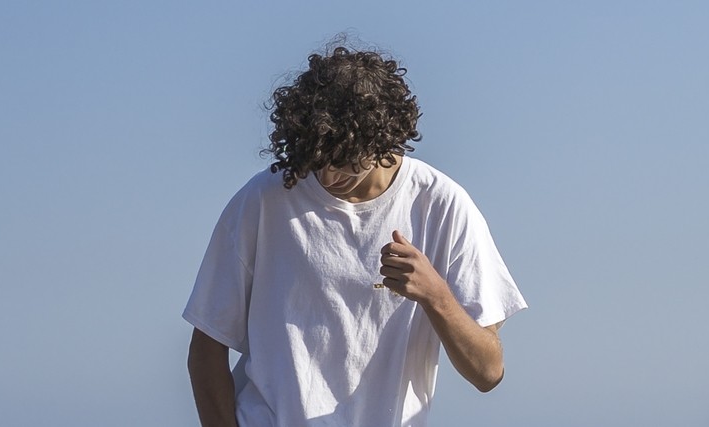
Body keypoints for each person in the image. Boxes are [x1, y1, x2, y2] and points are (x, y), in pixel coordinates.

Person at [183, 45, 527, 427]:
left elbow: (488, 371)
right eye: (317, 159)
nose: (327, 177)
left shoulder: (442, 206)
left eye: (343, 158)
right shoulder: (262, 200)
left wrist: (436, 295)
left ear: (384, 136)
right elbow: (206, 350)